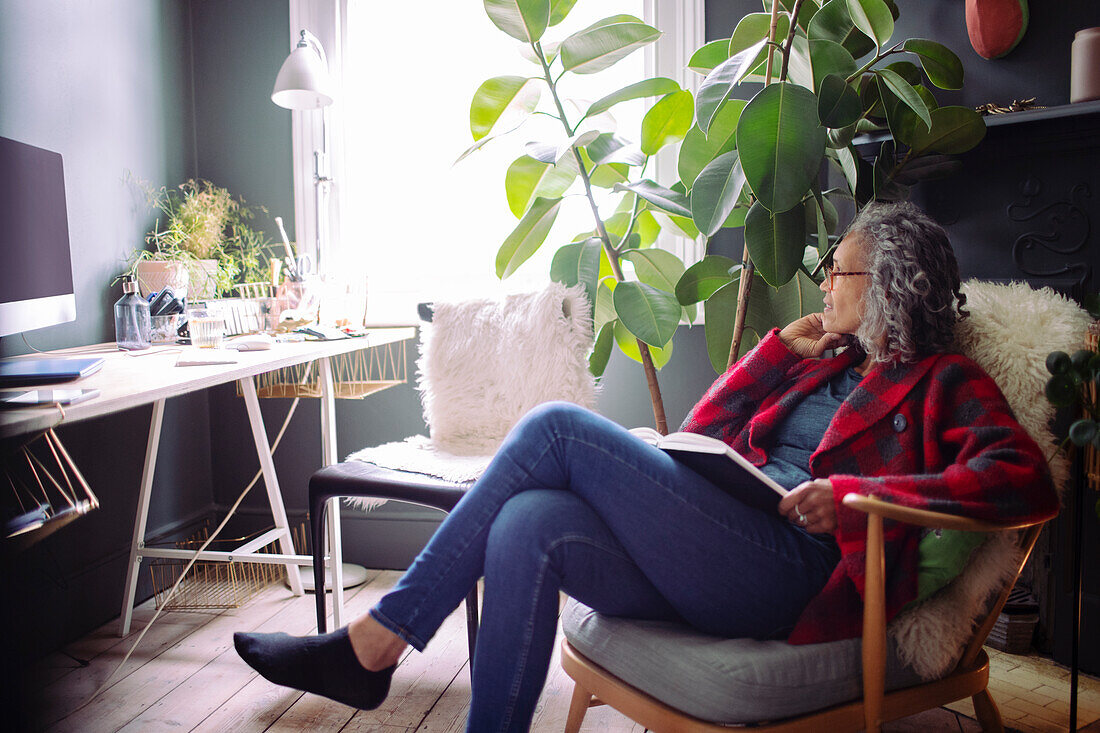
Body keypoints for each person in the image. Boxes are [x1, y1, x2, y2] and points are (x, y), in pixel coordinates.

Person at [234, 202, 1058, 731]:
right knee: (529, 522)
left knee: (557, 427)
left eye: (836, 269)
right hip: (721, 546)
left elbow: (1024, 478)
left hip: (796, 571)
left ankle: (373, 644)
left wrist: (854, 494)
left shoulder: (943, 381)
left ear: (882, 282)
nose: (824, 282)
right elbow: (699, 435)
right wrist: (772, 354)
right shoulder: (815, 358)